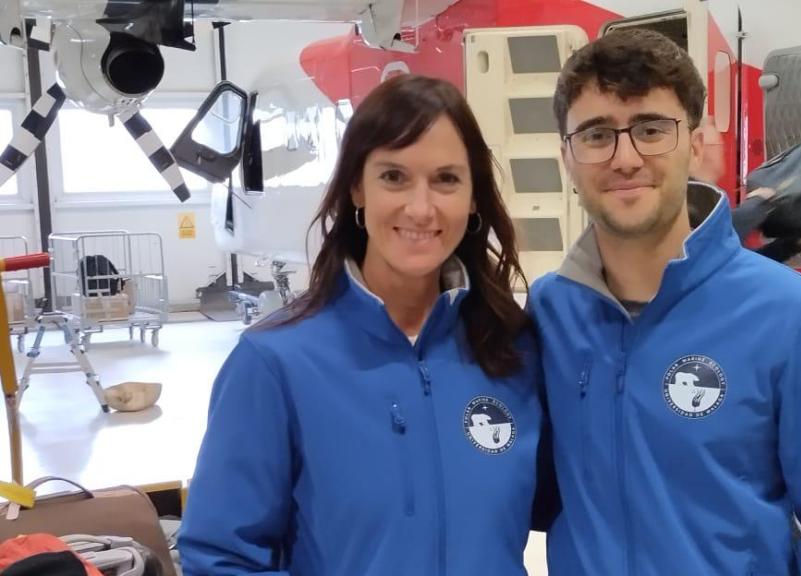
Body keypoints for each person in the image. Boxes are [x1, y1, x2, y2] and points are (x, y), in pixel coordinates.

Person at [529, 28, 801, 575]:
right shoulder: (550, 313)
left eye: (652, 129)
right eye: (597, 134)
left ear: (695, 146)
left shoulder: (789, 314)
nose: (626, 158)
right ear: (567, 157)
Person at [178, 74, 549, 575]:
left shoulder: (512, 348)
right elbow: (221, 556)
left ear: (474, 197)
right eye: (394, 177)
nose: (420, 208)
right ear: (357, 186)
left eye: (446, 179)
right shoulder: (275, 363)